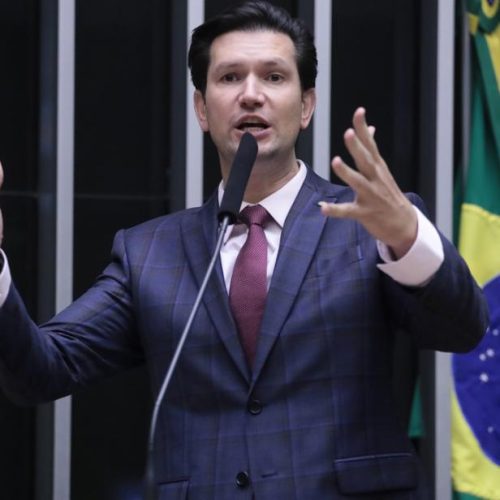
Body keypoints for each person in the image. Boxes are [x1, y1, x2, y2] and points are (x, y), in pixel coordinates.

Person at [0, 1, 488, 498]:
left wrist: (408, 237)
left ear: (305, 107)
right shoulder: (148, 252)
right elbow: (40, 369)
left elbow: (464, 327)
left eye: (274, 77)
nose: (251, 95)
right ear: (201, 109)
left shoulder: (371, 223)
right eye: (230, 77)